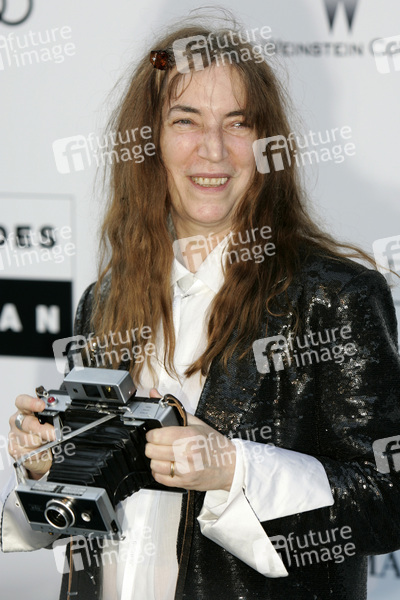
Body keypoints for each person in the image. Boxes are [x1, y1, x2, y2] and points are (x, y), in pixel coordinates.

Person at [2, 14, 400, 600]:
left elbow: (386, 502)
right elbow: (95, 510)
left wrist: (232, 467)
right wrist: (51, 466)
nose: (212, 149)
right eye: (185, 121)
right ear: (150, 143)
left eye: (237, 123)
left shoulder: (335, 296)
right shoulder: (104, 301)